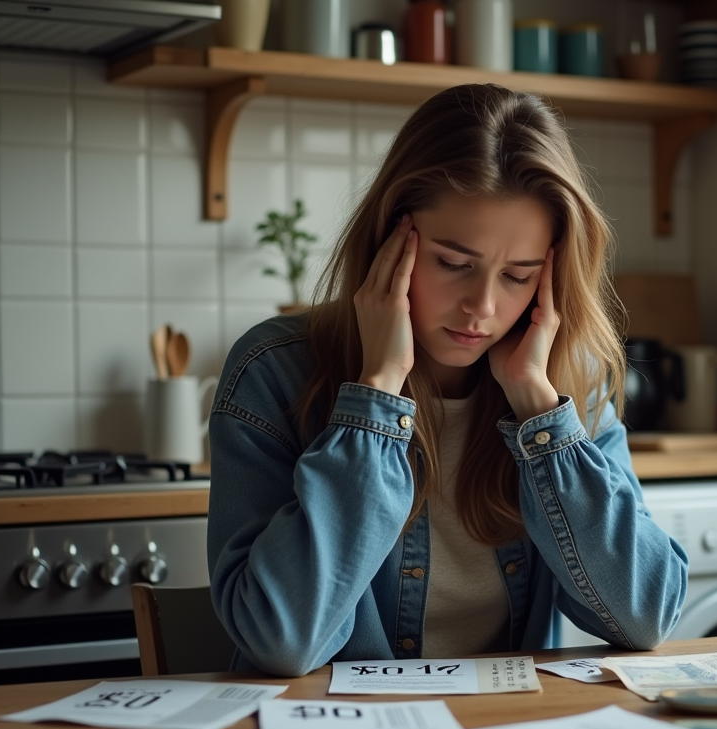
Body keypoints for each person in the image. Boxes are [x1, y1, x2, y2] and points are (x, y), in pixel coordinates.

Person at [207, 83, 689, 677]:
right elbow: (280, 640)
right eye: (454, 264)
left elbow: (645, 616)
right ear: (390, 238)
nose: (481, 307)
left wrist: (541, 415)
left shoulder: (570, 386)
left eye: (518, 275)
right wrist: (378, 392)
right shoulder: (273, 372)